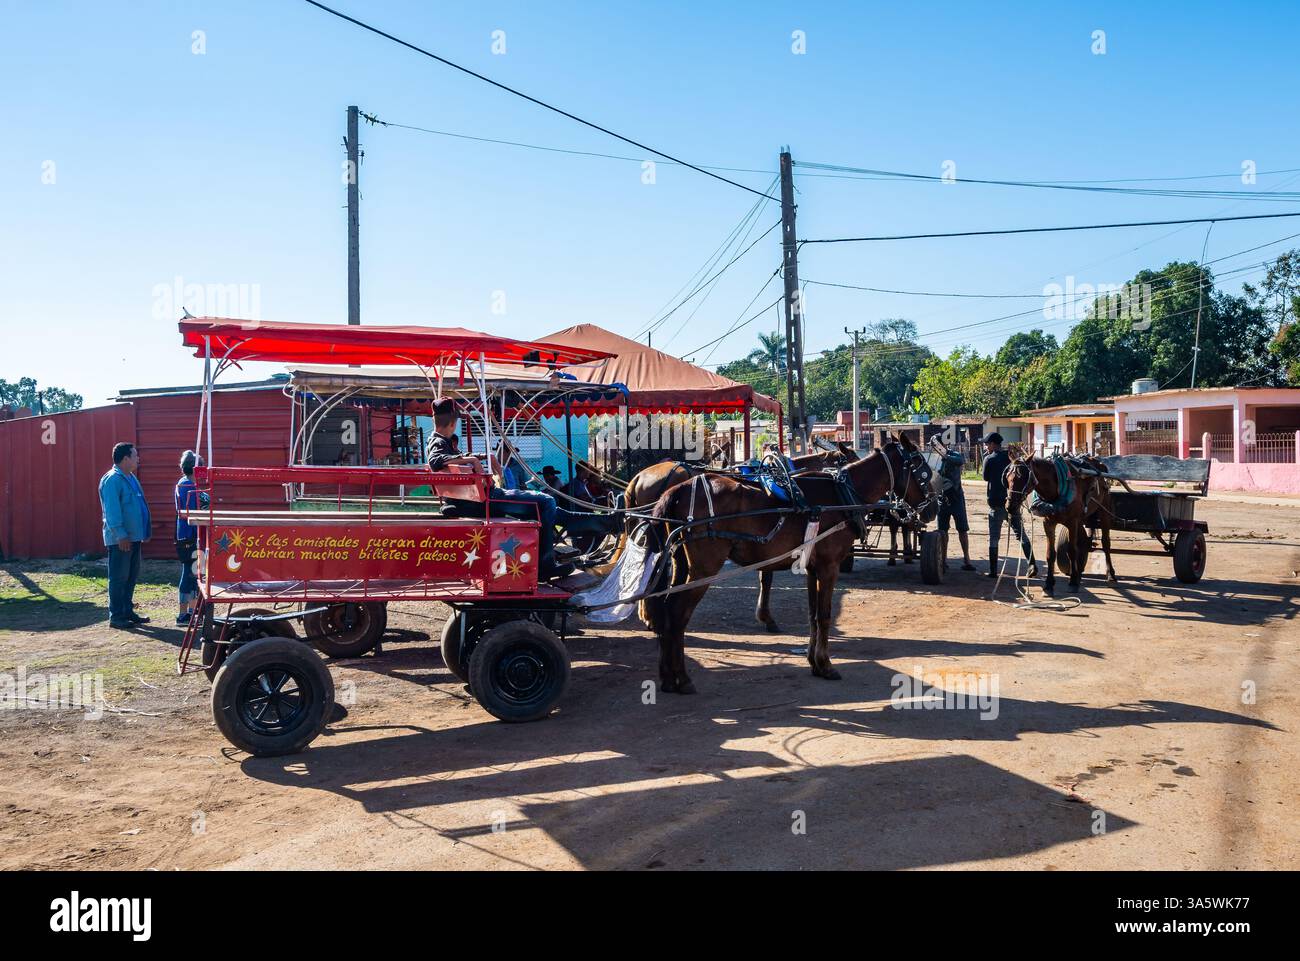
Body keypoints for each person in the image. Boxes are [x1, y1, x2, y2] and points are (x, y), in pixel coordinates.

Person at [426, 400, 613, 579]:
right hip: (485, 502)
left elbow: (444, 459)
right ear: (452, 422)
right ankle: (545, 564)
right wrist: (474, 460)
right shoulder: (438, 443)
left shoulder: (440, 441)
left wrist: (482, 456)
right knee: (547, 501)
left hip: (475, 500)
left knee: (550, 509)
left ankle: (605, 523)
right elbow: (435, 461)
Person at [99, 441, 153, 629]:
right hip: (120, 540)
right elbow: (112, 512)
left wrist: (143, 531)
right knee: (119, 577)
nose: (138, 458)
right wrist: (121, 535)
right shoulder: (112, 480)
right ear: (125, 458)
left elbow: (138, 506)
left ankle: (127, 610)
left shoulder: (131, 478)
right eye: (135, 455)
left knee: (131, 576)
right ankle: (117, 616)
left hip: (134, 537)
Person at [981, 433, 1037, 577]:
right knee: (1021, 535)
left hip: (996, 503)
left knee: (994, 538)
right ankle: (1032, 564)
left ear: (993, 444)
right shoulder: (1012, 458)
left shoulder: (989, 459)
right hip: (1013, 503)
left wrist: (987, 460)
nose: (986, 446)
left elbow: (985, 477)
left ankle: (993, 571)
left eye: (987, 444)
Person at [174, 450, 206, 625]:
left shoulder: (186, 484)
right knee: (191, 573)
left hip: (189, 534)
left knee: (193, 572)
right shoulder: (187, 486)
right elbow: (194, 513)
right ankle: (187, 613)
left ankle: (190, 612)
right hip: (191, 535)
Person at [935, 445, 976, 572]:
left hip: (957, 498)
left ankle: (967, 559)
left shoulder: (954, 455)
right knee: (942, 531)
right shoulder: (935, 459)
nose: (938, 448)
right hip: (942, 499)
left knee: (962, 529)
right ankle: (943, 559)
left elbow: (960, 461)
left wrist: (945, 456)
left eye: (939, 445)